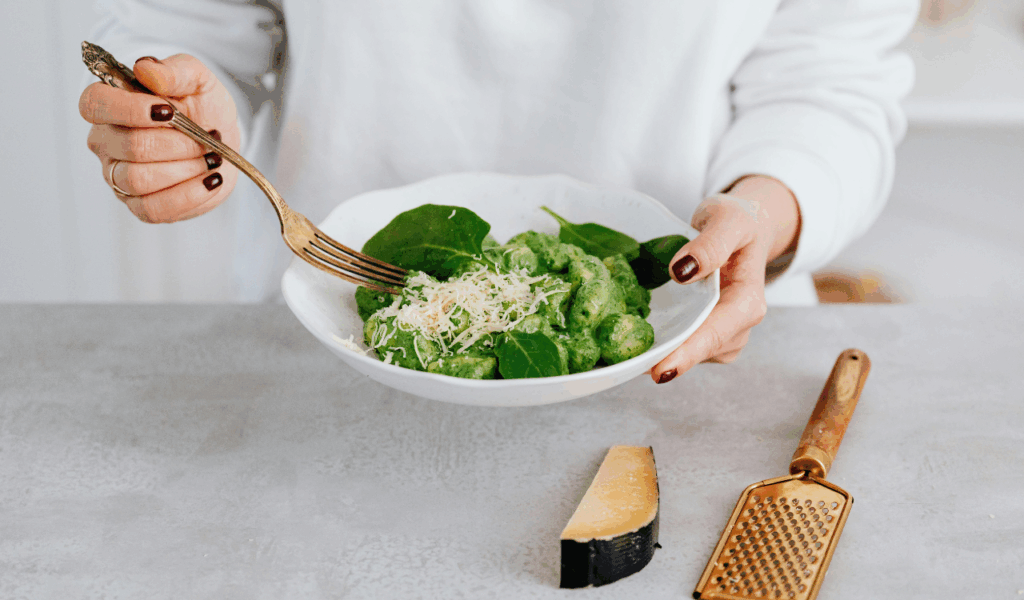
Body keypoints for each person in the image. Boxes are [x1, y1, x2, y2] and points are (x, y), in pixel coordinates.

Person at [79, 1, 916, 384]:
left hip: (698, 352)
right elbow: (187, 21)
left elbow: (831, 78)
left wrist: (765, 210)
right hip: (335, 350)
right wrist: (175, 110)